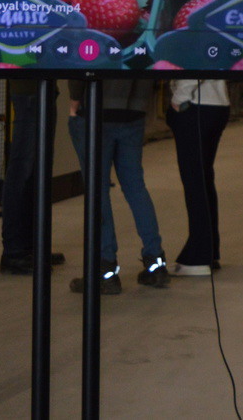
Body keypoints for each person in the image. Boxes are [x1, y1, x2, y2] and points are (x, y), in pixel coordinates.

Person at [68, 79, 170, 294]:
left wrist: (75, 101)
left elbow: (81, 63)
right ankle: (156, 263)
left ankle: (105, 270)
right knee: (135, 187)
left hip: (97, 107)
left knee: (97, 190)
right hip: (135, 109)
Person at [0, 80, 65, 275]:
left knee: (37, 173)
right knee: (22, 173)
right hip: (30, 91)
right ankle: (14, 252)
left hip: (43, 89)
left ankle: (32, 247)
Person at [166, 79, 230, 276]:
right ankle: (209, 251)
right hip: (217, 104)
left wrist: (179, 98)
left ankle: (198, 257)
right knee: (203, 180)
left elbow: (195, 66)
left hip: (196, 105)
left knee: (194, 181)